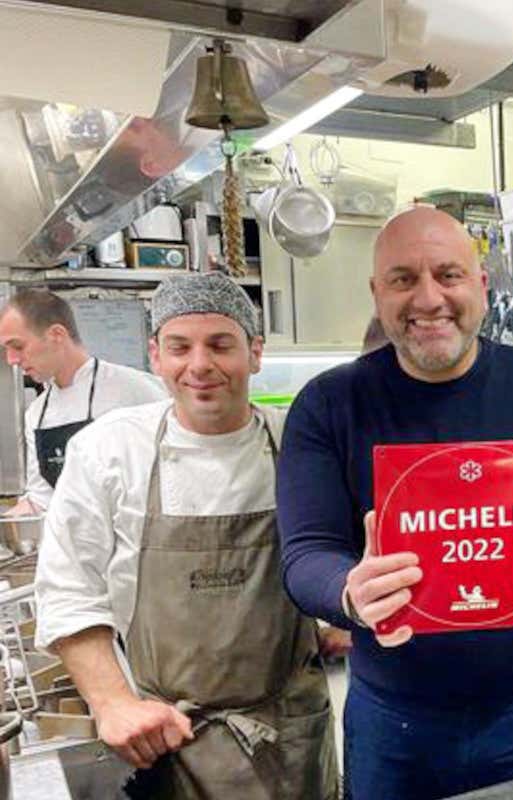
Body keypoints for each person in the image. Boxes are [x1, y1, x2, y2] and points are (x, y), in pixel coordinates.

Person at [275, 206, 513, 799]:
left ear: (481, 286)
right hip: (394, 723)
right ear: (377, 293)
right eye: (403, 279)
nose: (429, 298)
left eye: (448, 275)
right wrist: (350, 592)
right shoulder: (328, 405)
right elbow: (306, 553)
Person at [33, 273, 337, 798]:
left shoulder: (298, 444)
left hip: (288, 734)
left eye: (220, 345)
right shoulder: (109, 450)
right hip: (165, 735)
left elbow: (336, 556)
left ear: (255, 353)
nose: (199, 365)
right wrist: (112, 703)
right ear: (155, 355)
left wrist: (337, 613)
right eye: (180, 347)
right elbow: (68, 590)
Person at [0, 289, 166, 515]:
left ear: (57, 335)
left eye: (18, 346)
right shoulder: (37, 414)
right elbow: (41, 500)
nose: (12, 360)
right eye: (7, 350)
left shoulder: (135, 389)